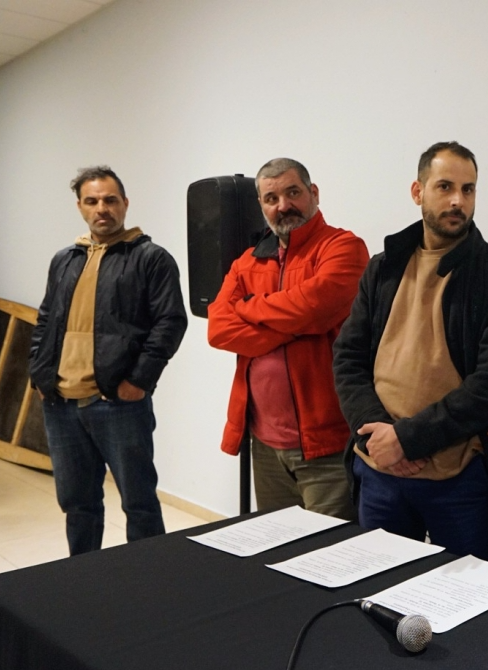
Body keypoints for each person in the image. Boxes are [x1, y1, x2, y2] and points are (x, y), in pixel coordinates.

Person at [333, 141, 488, 562]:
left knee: (466, 596)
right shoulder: (383, 268)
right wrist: (380, 437)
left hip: (457, 479)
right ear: (417, 191)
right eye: (445, 187)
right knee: (378, 587)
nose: (458, 200)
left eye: (468, 189)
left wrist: (407, 440)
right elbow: (348, 358)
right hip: (380, 470)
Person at [30, 166, 188, 556]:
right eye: (92, 201)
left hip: (118, 404)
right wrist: (40, 374)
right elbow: (46, 319)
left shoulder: (150, 258)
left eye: (110, 200)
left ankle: (149, 581)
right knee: (78, 505)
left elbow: (170, 323)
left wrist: (139, 381)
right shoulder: (65, 259)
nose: (102, 208)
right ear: (80, 207)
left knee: (139, 503)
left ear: (125, 203)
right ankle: (85, 580)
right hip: (61, 404)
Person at [208, 159, 368, 518]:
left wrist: (248, 306)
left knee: (331, 548)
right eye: (271, 198)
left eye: (293, 192)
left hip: (326, 445)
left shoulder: (343, 248)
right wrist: (297, 326)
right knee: (278, 544)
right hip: (265, 445)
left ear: (314, 193)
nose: (283, 205)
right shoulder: (247, 262)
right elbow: (219, 329)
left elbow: (314, 306)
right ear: (261, 205)